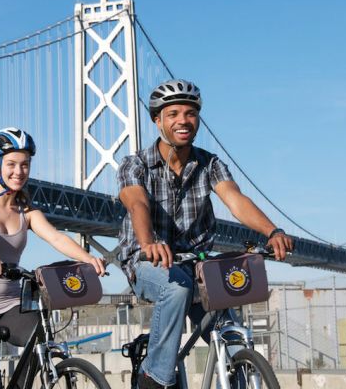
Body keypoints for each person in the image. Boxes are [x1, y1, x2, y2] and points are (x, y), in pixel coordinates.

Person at [117, 79, 294, 389]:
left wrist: (272, 230)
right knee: (177, 288)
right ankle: (154, 377)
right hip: (146, 261)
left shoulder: (210, 164)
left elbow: (235, 199)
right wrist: (149, 242)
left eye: (190, 113)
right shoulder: (136, 164)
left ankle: (239, 369)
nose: (183, 121)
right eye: (172, 114)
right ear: (157, 120)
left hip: (196, 262)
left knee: (230, 326)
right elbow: (136, 202)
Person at [0, 127, 106, 389]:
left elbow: (56, 238)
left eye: (25, 165)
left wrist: (88, 258)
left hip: (10, 303)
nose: (19, 172)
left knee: (41, 335)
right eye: (11, 164)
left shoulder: (28, 212)